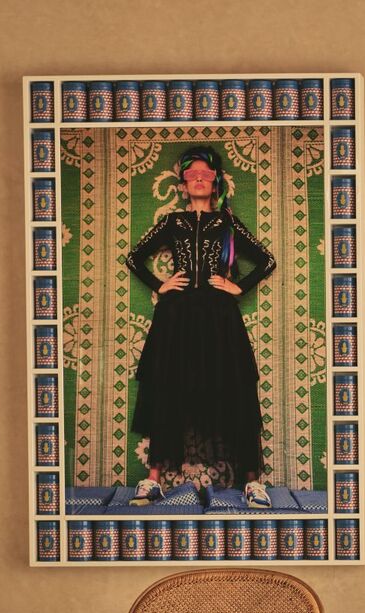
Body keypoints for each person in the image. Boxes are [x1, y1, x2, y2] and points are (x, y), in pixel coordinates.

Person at [124, 146, 276, 506]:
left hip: (219, 317)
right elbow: (133, 257)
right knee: (167, 386)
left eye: (205, 174)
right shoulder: (172, 222)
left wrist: (238, 287)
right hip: (175, 317)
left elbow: (267, 260)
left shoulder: (226, 223)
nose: (197, 179)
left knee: (234, 388)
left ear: (215, 181)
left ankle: (252, 482)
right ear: (182, 184)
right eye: (191, 174)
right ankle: (153, 480)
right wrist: (159, 284)